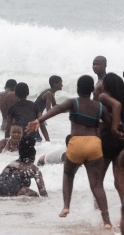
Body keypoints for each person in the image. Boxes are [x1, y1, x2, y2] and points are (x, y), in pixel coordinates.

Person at [26, 75, 112, 229]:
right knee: (97, 185)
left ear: (78, 89)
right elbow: (109, 125)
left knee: (68, 174)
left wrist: (39, 120)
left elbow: (57, 109)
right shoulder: (100, 107)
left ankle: (66, 206)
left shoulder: (74, 102)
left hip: (76, 142)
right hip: (94, 144)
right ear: (92, 90)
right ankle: (106, 221)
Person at [97, 73, 124, 210]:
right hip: (120, 140)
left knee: (98, 180)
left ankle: (100, 212)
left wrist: (113, 129)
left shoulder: (103, 96)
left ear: (105, 85)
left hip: (108, 139)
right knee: (119, 178)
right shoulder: (121, 97)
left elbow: (116, 105)